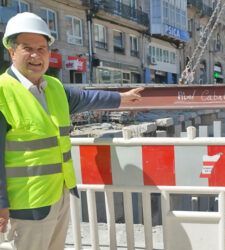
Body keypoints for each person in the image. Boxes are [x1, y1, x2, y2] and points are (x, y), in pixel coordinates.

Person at [0, 12, 143, 249]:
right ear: (12, 52)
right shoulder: (3, 92)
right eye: (28, 48)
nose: (36, 55)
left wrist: (121, 99)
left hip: (59, 194)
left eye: (42, 48)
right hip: (26, 204)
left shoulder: (53, 87)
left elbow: (88, 97)